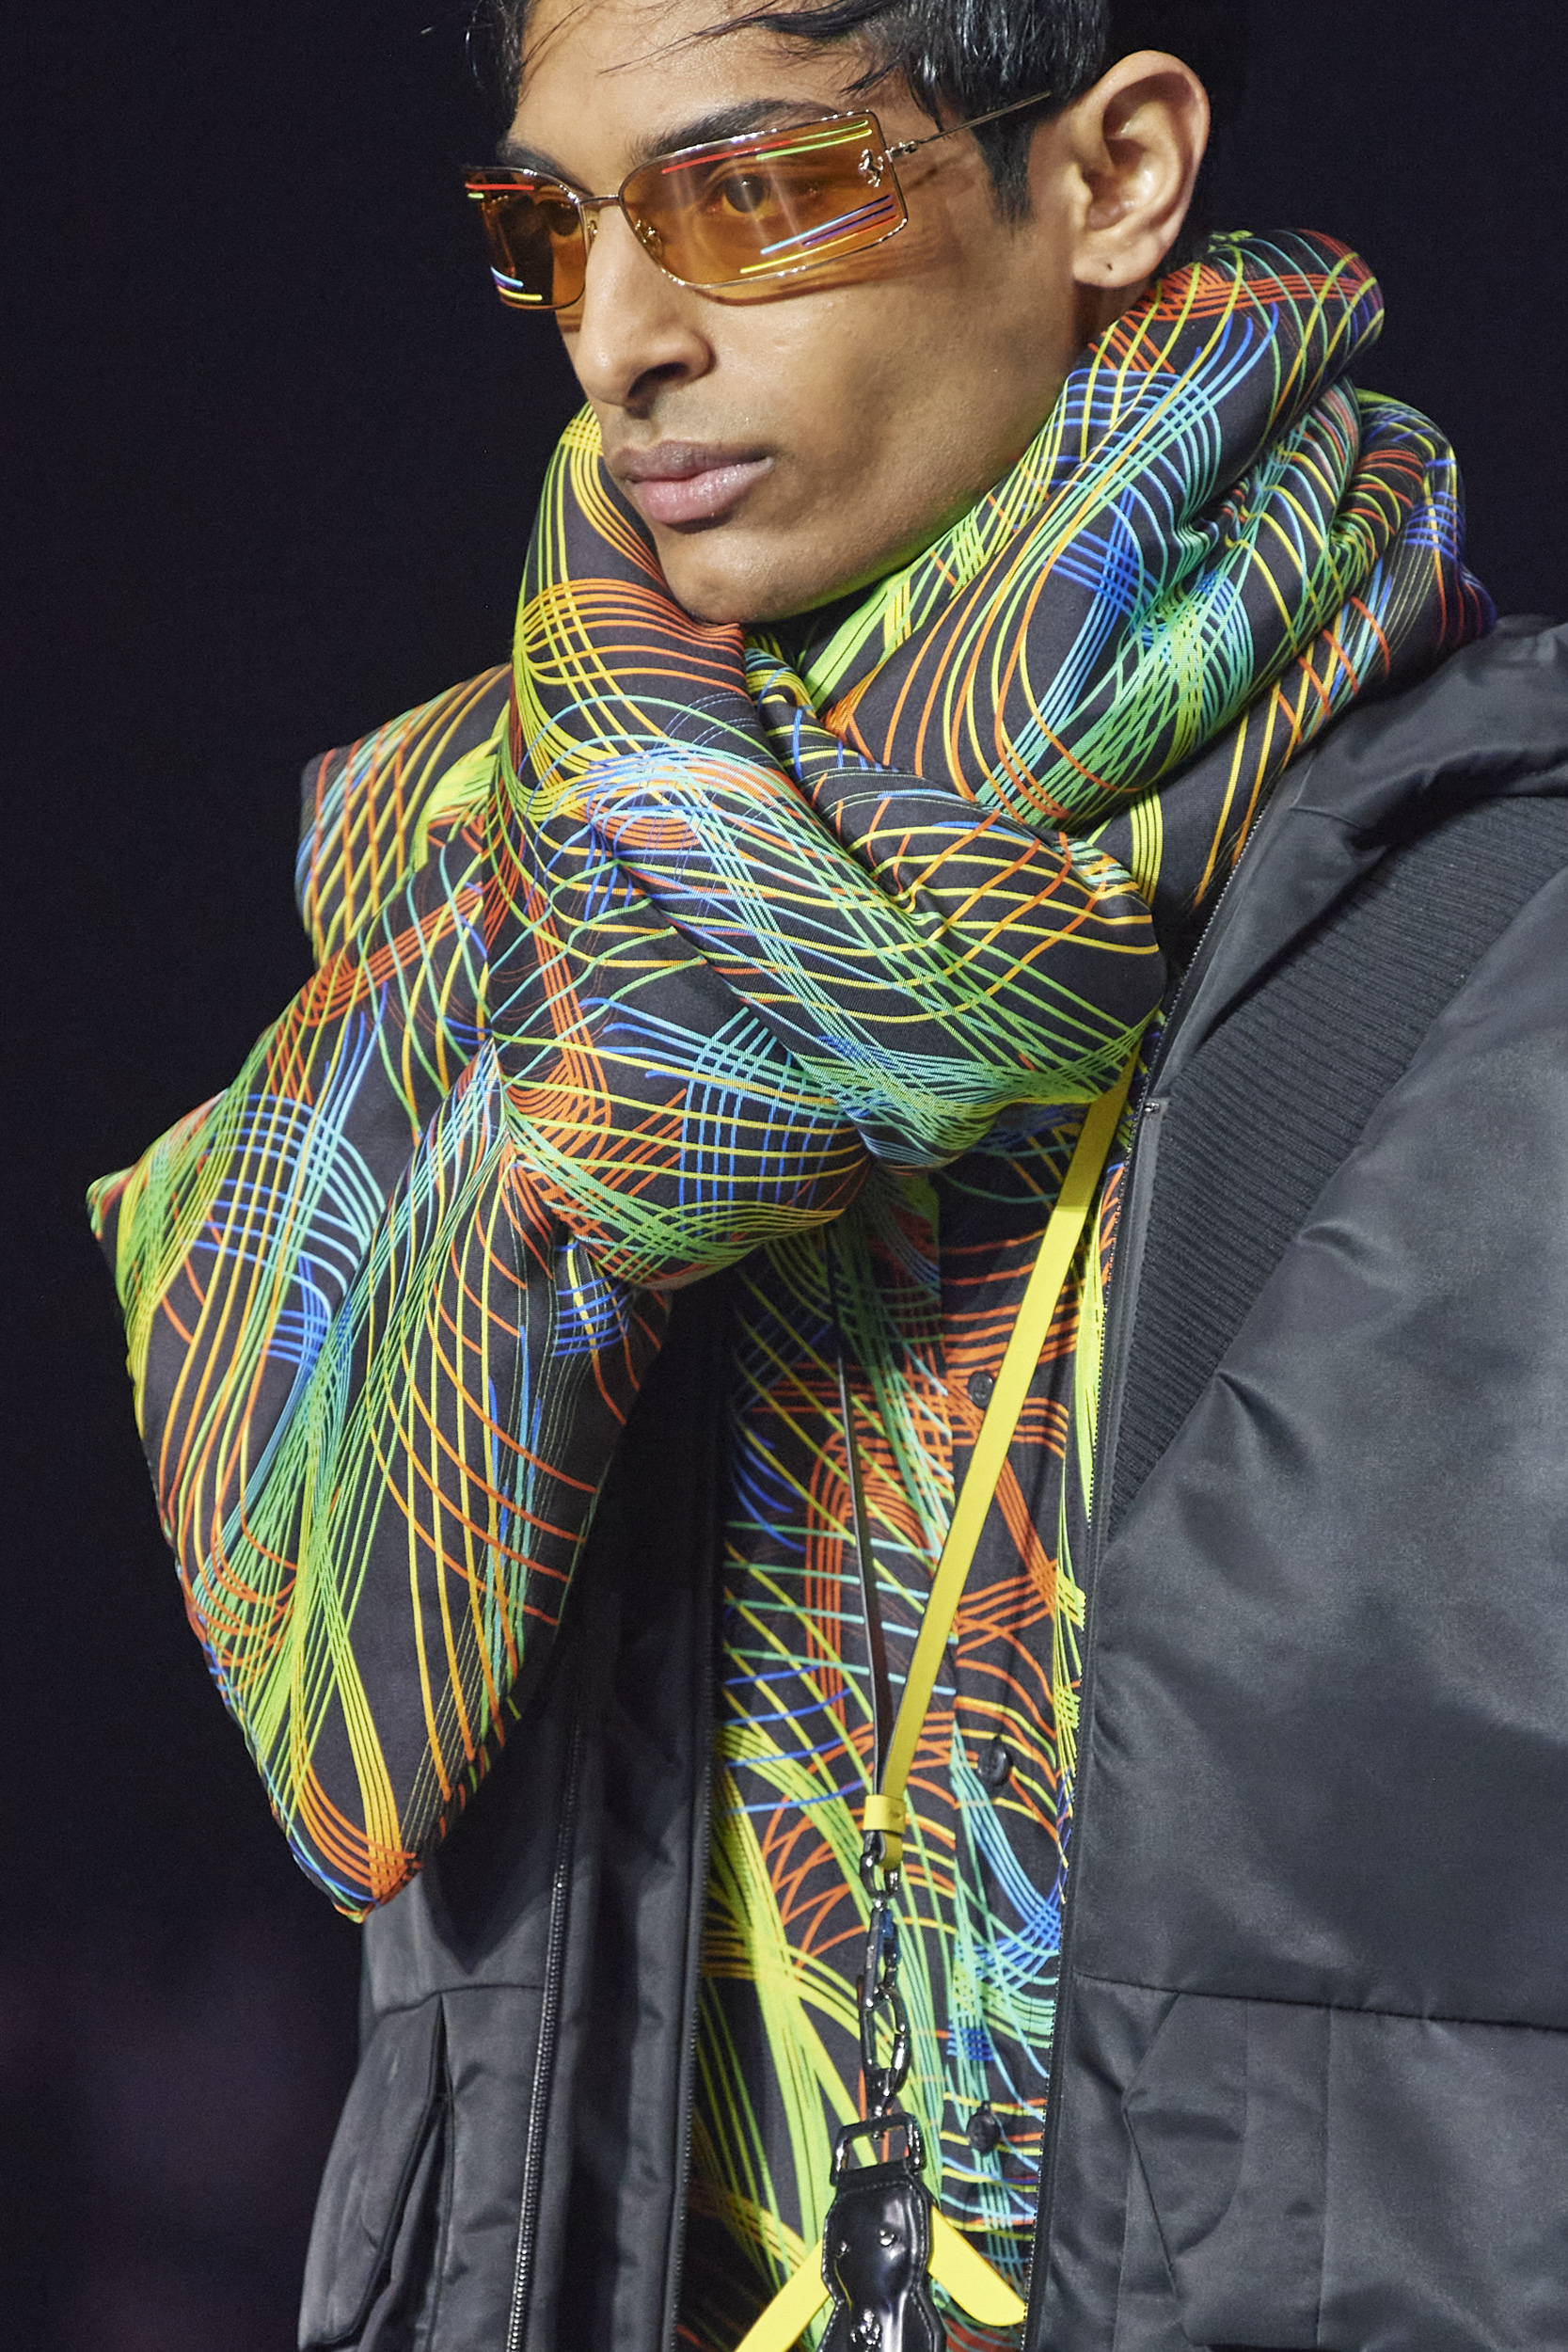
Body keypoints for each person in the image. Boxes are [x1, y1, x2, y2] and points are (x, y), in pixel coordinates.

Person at [87, 0, 1568, 2344]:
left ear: (1110, 175)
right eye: (552, 232)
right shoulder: (498, 941)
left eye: (751, 192)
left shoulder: (1512, 947)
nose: (619, 337)